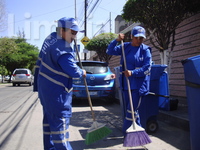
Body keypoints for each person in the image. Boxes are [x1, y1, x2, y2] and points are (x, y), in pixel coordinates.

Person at [33, 17, 86, 150]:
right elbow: (73, 71)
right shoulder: (63, 47)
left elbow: (39, 64)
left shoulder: (50, 39)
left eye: (76, 33)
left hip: (46, 93)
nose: (75, 36)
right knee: (60, 132)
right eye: (72, 33)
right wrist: (82, 72)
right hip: (58, 96)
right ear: (61, 30)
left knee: (49, 128)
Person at [106, 26, 152, 136]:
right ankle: (138, 133)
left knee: (131, 110)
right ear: (131, 37)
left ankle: (127, 134)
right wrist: (116, 40)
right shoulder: (124, 47)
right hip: (126, 85)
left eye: (141, 38)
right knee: (132, 111)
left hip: (139, 86)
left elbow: (147, 68)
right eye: (137, 38)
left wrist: (133, 73)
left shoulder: (145, 50)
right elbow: (109, 51)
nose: (139, 40)